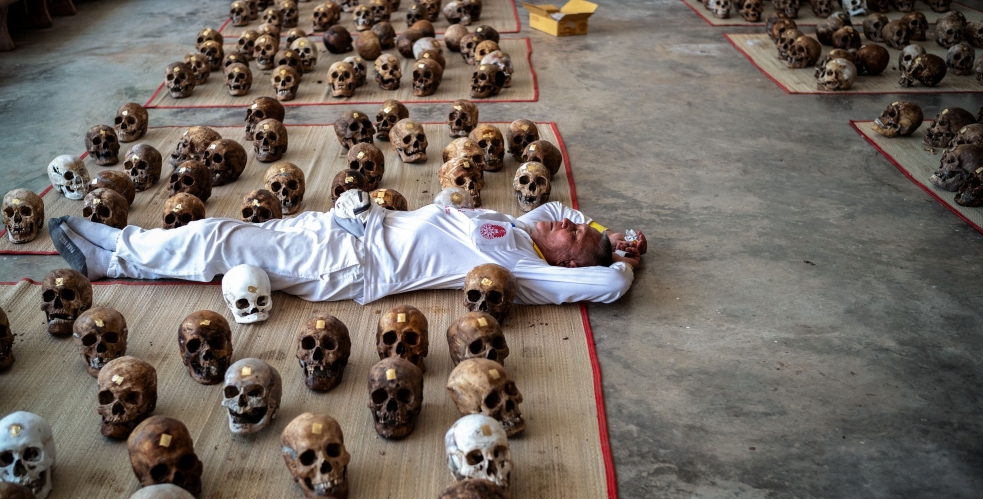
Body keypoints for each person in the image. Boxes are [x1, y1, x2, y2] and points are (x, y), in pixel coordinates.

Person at [49, 194, 647, 305]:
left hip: (352, 264)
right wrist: (605, 229)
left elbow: (608, 285)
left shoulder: (524, 269)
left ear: (568, 262)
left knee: (219, 242)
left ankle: (114, 254)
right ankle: (120, 247)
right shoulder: (518, 229)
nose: (567, 223)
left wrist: (615, 260)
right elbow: (552, 210)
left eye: (575, 235)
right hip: (348, 226)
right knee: (235, 230)